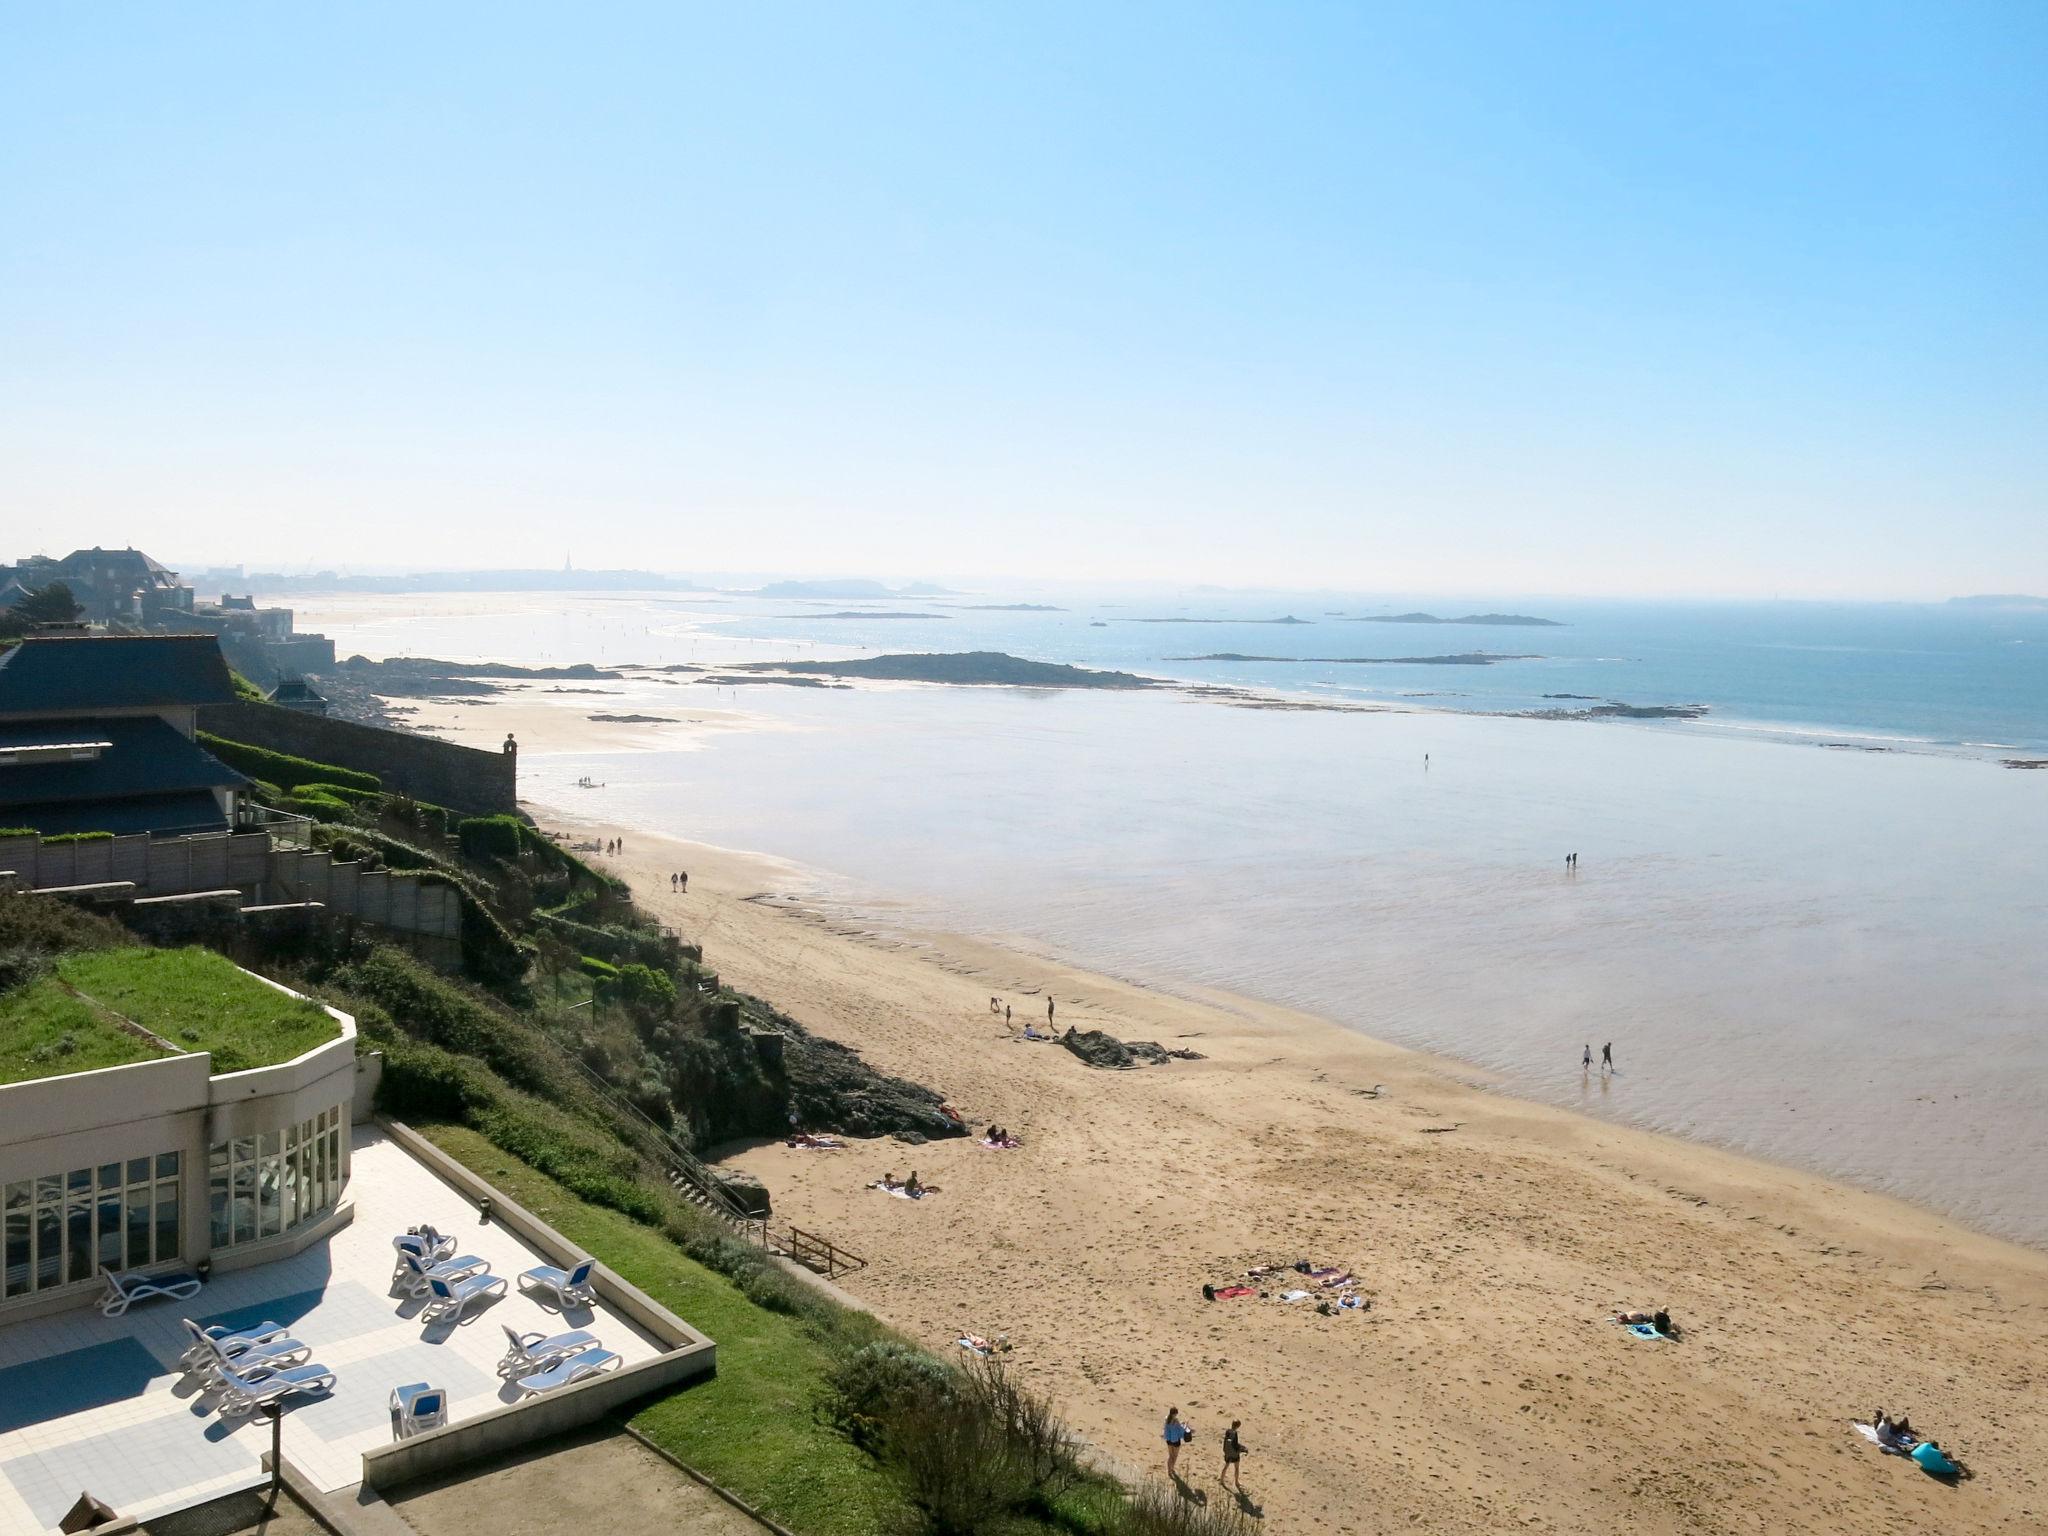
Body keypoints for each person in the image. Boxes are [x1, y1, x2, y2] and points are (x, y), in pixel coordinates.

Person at [1163, 1408, 1190, 1477]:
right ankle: (1172, 1469)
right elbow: (1181, 1429)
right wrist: (1186, 1423)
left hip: (1169, 1440)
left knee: (1170, 1456)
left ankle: (1169, 1471)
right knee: (1175, 1456)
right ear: (1174, 1414)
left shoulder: (1166, 1419)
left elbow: (1171, 1427)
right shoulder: (1175, 1421)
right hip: (1175, 1441)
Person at [1220, 1419, 1247, 1491]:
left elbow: (1226, 1442)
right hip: (1234, 1454)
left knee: (1226, 1466)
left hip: (1228, 1453)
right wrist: (1243, 1449)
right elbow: (1235, 1445)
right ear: (1238, 1426)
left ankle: (1222, 1480)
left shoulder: (1228, 1431)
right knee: (1236, 1468)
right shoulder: (1235, 1434)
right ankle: (1236, 1482)